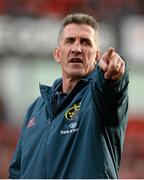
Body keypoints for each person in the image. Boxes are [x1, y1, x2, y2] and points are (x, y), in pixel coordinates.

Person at [9, 13, 129, 179]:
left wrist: (113, 76)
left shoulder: (98, 98)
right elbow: (17, 172)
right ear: (58, 54)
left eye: (85, 42)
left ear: (96, 56)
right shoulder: (35, 110)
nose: (77, 49)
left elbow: (112, 92)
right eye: (70, 40)